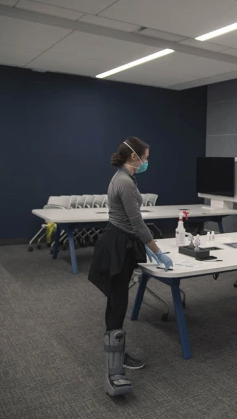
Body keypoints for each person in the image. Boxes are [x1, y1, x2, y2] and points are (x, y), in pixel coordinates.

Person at [88, 137, 173, 397]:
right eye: (146, 157)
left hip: (120, 240)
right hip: (117, 247)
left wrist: (143, 244)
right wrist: (157, 250)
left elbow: (129, 222)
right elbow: (137, 223)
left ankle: (115, 348)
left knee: (116, 300)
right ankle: (116, 361)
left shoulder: (124, 177)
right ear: (134, 157)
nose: (147, 161)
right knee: (118, 302)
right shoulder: (124, 182)